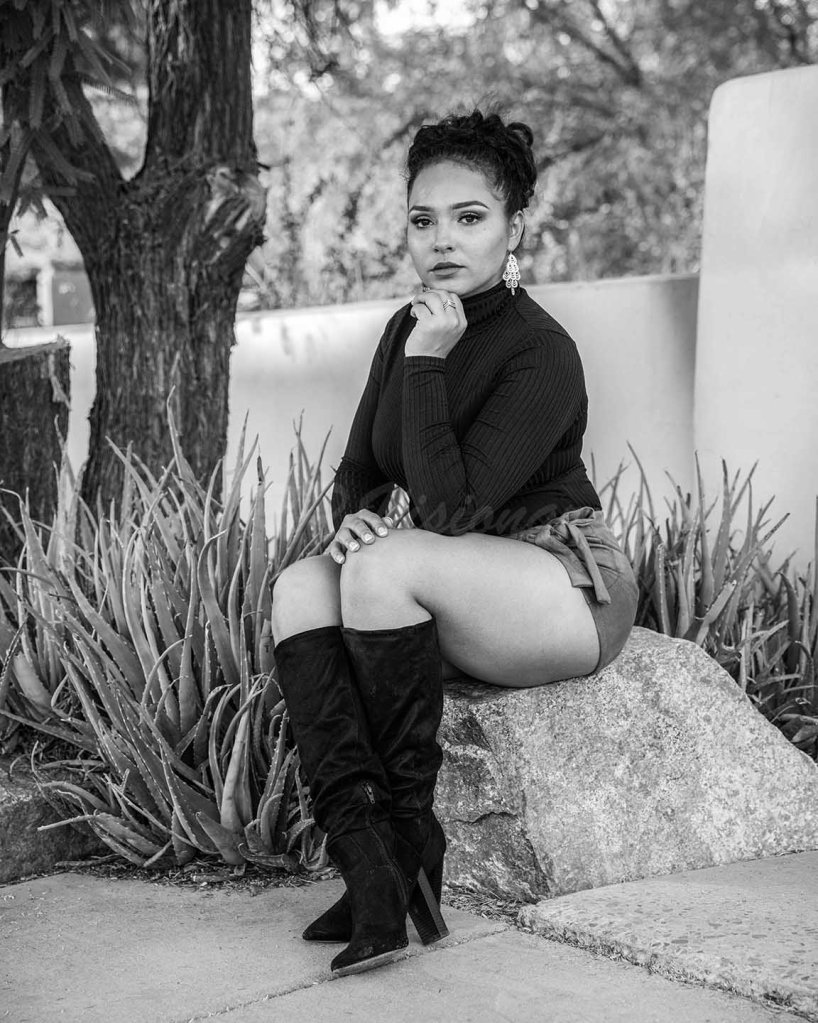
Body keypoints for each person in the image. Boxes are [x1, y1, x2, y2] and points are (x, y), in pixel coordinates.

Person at [270, 109, 638, 978]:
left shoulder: (540, 350)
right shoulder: (406, 329)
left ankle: (411, 849)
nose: (442, 240)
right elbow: (363, 469)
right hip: (458, 571)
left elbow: (447, 511)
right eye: (423, 219)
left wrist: (433, 360)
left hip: (563, 581)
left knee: (389, 562)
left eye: (469, 217)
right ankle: (372, 864)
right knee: (300, 587)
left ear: (516, 226)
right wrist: (355, 519)